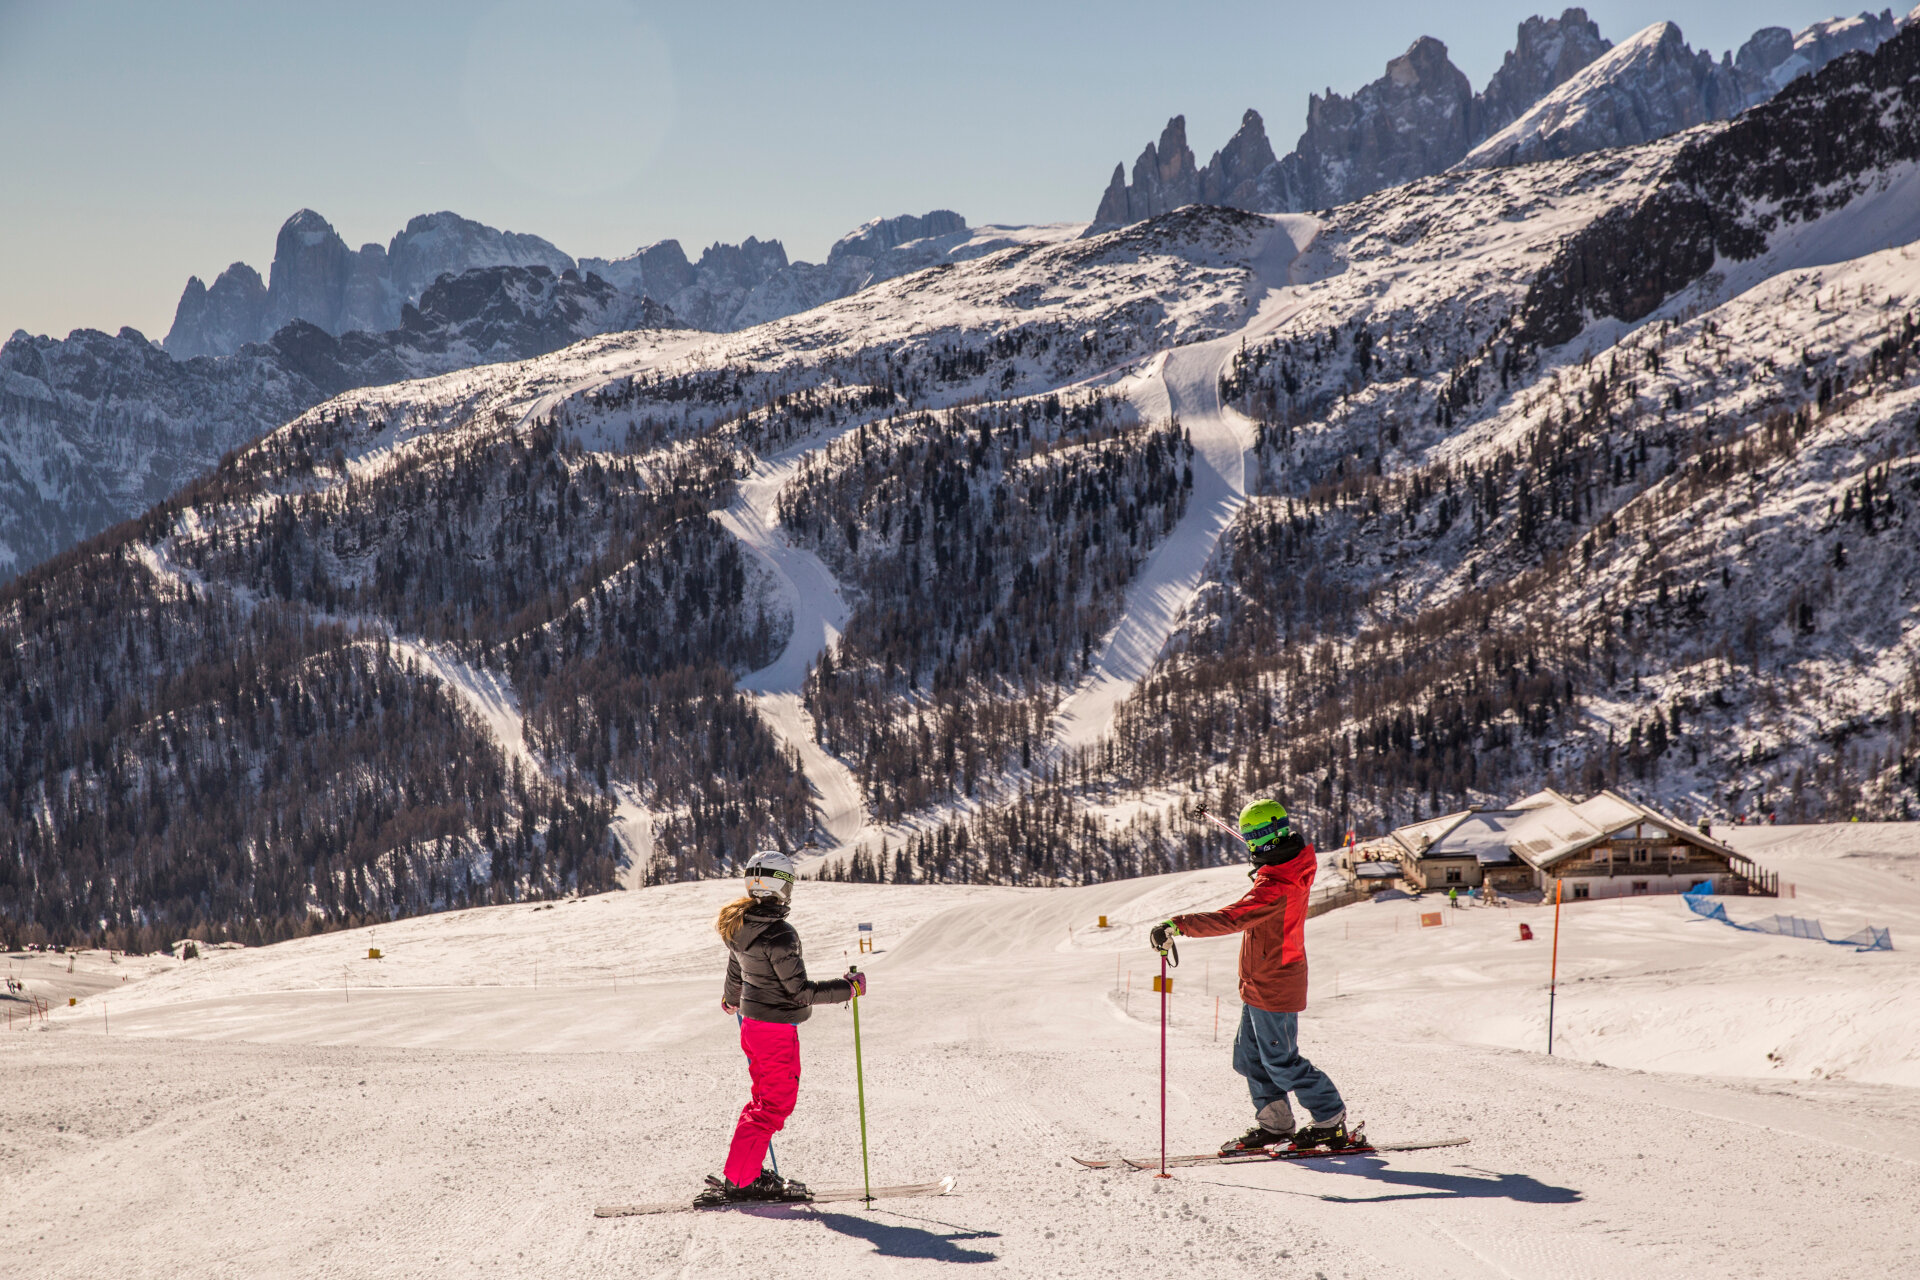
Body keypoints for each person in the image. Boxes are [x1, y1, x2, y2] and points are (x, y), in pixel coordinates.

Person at [1149, 799, 1350, 1155]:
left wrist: (1176, 925)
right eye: (1248, 836)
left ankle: (1330, 1122)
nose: (1252, 842)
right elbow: (1274, 866)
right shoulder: (1290, 862)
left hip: (1276, 981)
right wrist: (1266, 864)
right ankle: (1275, 1124)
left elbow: (1232, 918)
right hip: (1259, 981)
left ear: (1275, 832)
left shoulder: (1276, 884)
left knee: (1282, 1062)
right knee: (1248, 1057)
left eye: (1257, 835)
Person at [697, 849, 862, 1206]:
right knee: (772, 1106)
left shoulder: (740, 923)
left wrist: (731, 999)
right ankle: (741, 1180)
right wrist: (849, 988)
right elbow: (800, 992)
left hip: (755, 1026)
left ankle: (745, 1171)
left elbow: (736, 971)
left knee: (762, 1101)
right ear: (781, 886)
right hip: (773, 1029)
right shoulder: (779, 933)